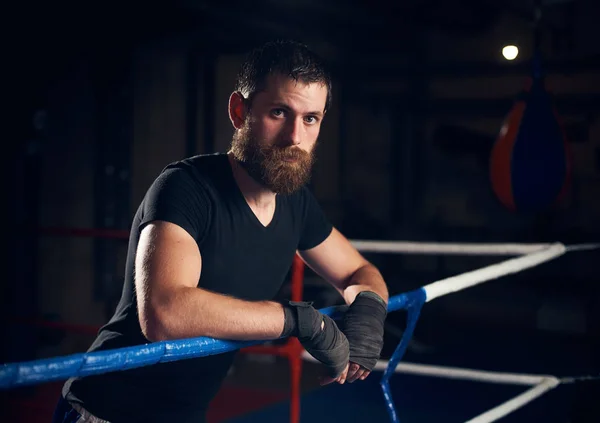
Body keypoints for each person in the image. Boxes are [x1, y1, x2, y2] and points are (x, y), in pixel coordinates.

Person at [52, 39, 389, 423]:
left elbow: (358, 272)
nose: (295, 137)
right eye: (279, 112)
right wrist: (301, 322)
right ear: (239, 111)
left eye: (310, 118)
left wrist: (369, 312)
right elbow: (164, 313)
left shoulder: (296, 204)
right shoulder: (185, 187)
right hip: (104, 411)